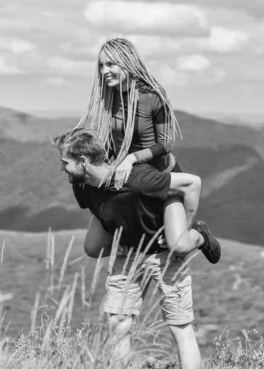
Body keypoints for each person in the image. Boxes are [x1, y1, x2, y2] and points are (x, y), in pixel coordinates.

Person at [51, 127, 221, 369]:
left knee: (179, 325)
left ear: (83, 161)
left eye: (65, 162)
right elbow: (104, 211)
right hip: (128, 254)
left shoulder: (137, 180)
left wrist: (186, 226)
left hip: (164, 254)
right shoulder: (81, 186)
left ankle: (200, 236)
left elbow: (193, 183)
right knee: (117, 322)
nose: (62, 168)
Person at [75, 37, 214, 261]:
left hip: (160, 175)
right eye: (101, 65)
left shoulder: (152, 97)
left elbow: (166, 143)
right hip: (129, 178)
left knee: (178, 246)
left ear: (127, 63)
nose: (104, 71)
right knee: (93, 248)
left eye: (111, 64)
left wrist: (131, 158)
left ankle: (200, 235)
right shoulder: (110, 96)